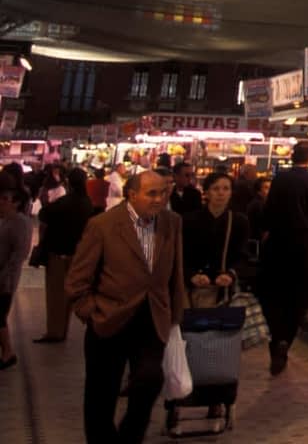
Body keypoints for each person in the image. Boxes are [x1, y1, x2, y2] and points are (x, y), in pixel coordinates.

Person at [65, 170, 188, 444]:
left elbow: (175, 272)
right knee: (101, 394)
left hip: (153, 319)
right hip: (109, 320)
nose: (159, 199)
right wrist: (92, 313)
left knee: (149, 379)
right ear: (132, 195)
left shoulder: (172, 223)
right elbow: (76, 280)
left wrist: (176, 312)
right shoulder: (103, 225)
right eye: (151, 193)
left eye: (163, 192)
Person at [259, 143, 308, 375]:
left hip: (277, 244)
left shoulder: (280, 179)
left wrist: (267, 233)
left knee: (274, 294)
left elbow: (268, 212)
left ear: (292, 156)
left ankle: (276, 336)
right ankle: (285, 339)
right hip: (302, 247)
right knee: (297, 299)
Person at [36, 167, 97, 343]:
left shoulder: (66, 202)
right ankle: (62, 330)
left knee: (55, 294)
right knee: (68, 296)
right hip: (76, 254)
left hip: (58, 253)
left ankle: (54, 331)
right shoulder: (86, 202)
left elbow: (44, 214)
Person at [183, 171, 248, 311]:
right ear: (206, 193)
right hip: (193, 289)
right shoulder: (189, 220)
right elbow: (180, 255)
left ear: (231, 193)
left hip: (224, 289)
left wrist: (231, 274)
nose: (221, 193)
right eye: (216, 188)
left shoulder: (238, 221)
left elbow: (242, 255)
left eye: (226, 189)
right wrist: (191, 275)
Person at [0, 187, 31, 369]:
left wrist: (6, 278)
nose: (1, 203)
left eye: (5, 199)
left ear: (16, 202)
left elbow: (18, 254)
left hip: (5, 279)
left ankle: (8, 353)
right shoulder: (6, 221)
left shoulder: (19, 223)